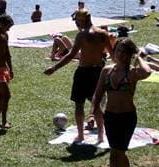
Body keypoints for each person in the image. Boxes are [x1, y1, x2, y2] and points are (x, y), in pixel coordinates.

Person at [93, 38, 152, 167]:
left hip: (127, 118)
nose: (120, 54)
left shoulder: (133, 73)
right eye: (117, 50)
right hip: (110, 117)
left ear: (129, 55)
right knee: (118, 151)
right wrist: (92, 114)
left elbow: (147, 72)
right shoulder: (106, 71)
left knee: (114, 156)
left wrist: (139, 57)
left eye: (124, 52)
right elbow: (98, 94)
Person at [45, 10, 113, 144]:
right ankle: (100, 135)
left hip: (84, 72)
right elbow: (112, 54)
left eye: (77, 20)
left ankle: (81, 135)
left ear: (82, 20)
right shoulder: (103, 34)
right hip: (98, 72)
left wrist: (54, 68)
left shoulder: (81, 36)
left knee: (79, 105)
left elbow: (70, 55)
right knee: (97, 105)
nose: (76, 23)